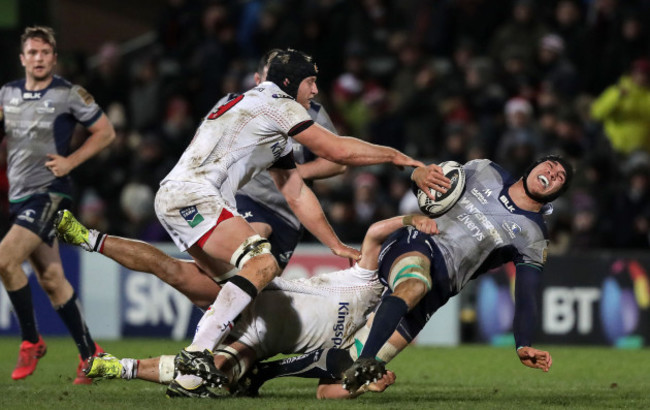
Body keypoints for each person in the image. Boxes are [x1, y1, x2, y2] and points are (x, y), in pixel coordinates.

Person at [59, 48, 450, 395]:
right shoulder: (278, 103)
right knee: (262, 263)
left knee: (195, 282)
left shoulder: (256, 110)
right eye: (311, 82)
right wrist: (402, 160)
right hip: (197, 194)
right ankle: (198, 352)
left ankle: (90, 241)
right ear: (290, 82)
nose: (315, 91)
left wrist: (333, 245)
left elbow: (294, 190)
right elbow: (336, 149)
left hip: (179, 195)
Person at [235, 155, 573, 395]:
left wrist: (523, 343)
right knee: (414, 283)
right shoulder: (484, 170)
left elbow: (526, 293)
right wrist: (417, 176)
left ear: (556, 193)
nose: (552, 173)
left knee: (338, 389)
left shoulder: (533, 235)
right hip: (418, 242)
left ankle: (266, 371)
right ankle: (367, 361)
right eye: (550, 165)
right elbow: (426, 179)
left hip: (441, 287)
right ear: (535, 165)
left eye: (560, 177)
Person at [56, 212, 439, 398]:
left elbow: (326, 391)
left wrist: (364, 387)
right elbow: (373, 232)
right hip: (256, 292)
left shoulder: (363, 343)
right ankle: (87, 237)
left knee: (204, 377)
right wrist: (410, 218)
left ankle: (115, 367)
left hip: (255, 341)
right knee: (170, 268)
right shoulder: (367, 279)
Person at [0, 26, 115, 383]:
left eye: (44, 52)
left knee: (4, 259)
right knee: (52, 279)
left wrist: (71, 162)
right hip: (19, 197)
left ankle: (31, 341)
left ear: (54, 57)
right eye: (32, 53)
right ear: (22, 59)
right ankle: (91, 356)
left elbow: (106, 132)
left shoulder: (69, 94)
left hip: (50, 192)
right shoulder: (6, 94)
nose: (38, 58)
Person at [224, 49, 347, 269]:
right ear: (258, 80)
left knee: (263, 283)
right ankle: (211, 302)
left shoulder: (314, 114)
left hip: (290, 212)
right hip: (248, 197)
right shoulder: (241, 107)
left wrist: (301, 171)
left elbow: (339, 162)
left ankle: (225, 301)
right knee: (255, 239)